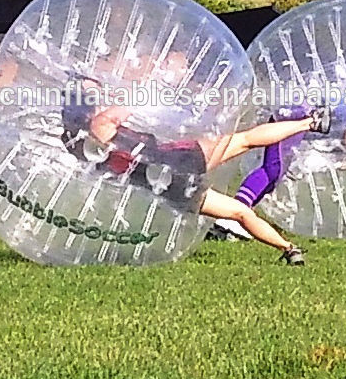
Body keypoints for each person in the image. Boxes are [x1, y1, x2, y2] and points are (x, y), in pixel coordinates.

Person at [60, 57, 331, 266]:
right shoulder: (102, 122)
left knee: (239, 212)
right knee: (245, 140)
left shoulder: (74, 143)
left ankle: (289, 249)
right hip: (178, 158)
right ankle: (312, 122)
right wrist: (159, 80)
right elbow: (137, 101)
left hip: (167, 187)